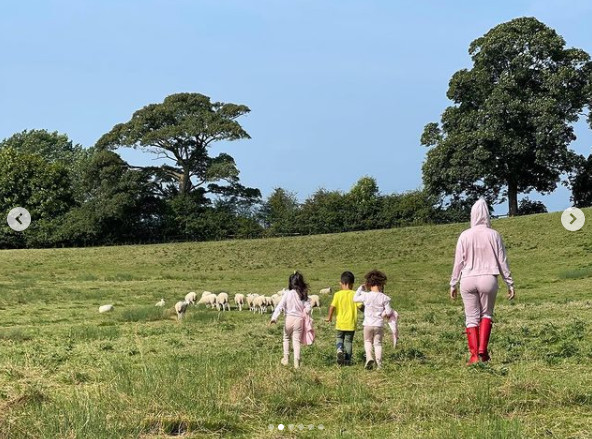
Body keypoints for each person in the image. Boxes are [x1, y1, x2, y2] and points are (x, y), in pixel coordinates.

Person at [450, 198, 516, 364]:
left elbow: (458, 262)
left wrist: (453, 283)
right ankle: (482, 350)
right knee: (486, 314)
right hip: (488, 278)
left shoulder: (464, 235)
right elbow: (502, 260)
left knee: (471, 318)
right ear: (487, 215)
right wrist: (509, 282)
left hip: (467, 279)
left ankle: (473, 356)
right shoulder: (494, 235)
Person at [269, 271, 312, 369]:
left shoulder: (287, 294)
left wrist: (274, 318)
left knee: (286, 338)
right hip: (299, 320)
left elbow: (280, 306)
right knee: (296, 340)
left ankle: (286, 359)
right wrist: (306, 312)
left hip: (289, 319)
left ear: (290, 283)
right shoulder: (303, 294)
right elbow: (308, 308)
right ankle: (297, 362)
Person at [353, 269, 393, 370]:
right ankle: (379, 364)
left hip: (368, 324)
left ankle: (369, 358)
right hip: (379, 324)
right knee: (378, 343)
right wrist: (385, 314)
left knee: (367, 341)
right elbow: (388, 312)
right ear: (382, 283)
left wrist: (360, 288)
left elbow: (355, 299)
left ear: (369, 284)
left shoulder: (366, 295)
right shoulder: (385, 298)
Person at [325, 271, 361, 365]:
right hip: (351, 324)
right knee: (348, 341)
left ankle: (339, 349)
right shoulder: (355, 294)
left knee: (339, 337)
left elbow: (332, 307)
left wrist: (329, 317)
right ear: (352, 284)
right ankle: (348, 360)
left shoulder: (337, 294)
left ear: (341, 283)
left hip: (340, 323)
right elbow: (361, 306)